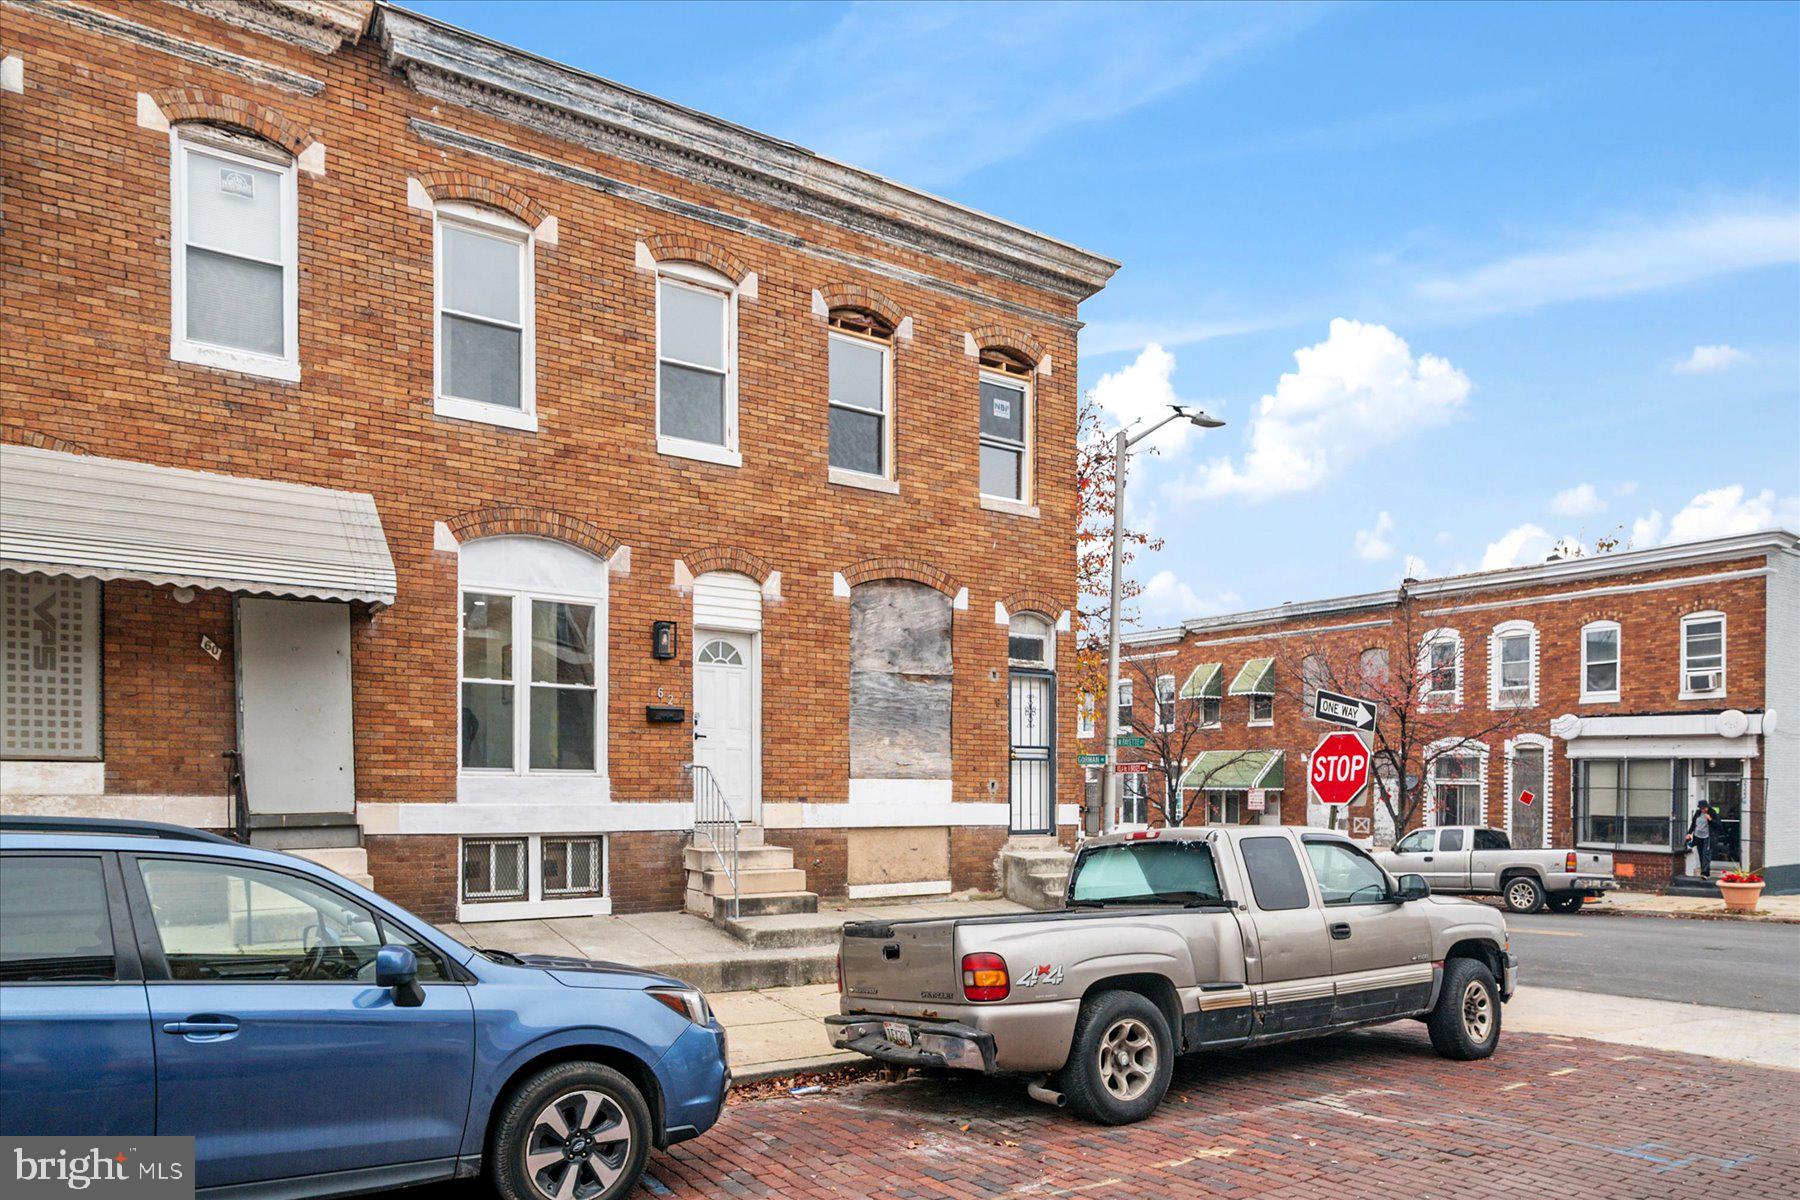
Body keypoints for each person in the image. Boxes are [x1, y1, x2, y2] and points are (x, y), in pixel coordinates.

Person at [1686, 801, 1716, 879]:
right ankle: (1707, 873)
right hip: (1698, 836)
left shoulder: (1712, 812)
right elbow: (1693, 824)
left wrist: (1710, 819)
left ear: (1707, 807)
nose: (1703, 810)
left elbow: (1718, 825)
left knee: (1706, 854)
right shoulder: (1697, 813)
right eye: (1701, 808)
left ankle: (1704, 873)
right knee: (1701, 854)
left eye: (1704, 808)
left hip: (1707, 836)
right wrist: (1689, 833)